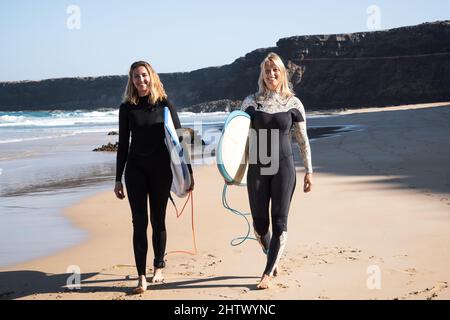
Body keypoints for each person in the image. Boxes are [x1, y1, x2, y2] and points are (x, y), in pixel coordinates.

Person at [114, 61, 194, 294]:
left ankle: (158, 266)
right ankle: (141, 277)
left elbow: (181, 138)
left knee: (158, 221)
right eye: (136, 77)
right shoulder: (127, 107)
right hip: (135, 171)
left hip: (161, 170)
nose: (141, 80)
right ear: (132, 80)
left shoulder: (165, 104)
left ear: (152, 77)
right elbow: (123, 145)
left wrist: (189, 173)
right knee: (139, 223)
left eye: (144, 76)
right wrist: (118, 178)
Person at [240, 52, 313, 289]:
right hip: (258, 167)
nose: (271, 74)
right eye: (267, 70)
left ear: (282, 73)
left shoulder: (293, 103)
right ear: (262, 73)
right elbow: (238, 138)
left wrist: (309, 171)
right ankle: (272, 253)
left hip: (283, 167)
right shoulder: (250, 102)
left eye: (275, 70)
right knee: (260, 226)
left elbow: (302, 140)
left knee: (280, 221)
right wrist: (233, 171)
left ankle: (267, 273)